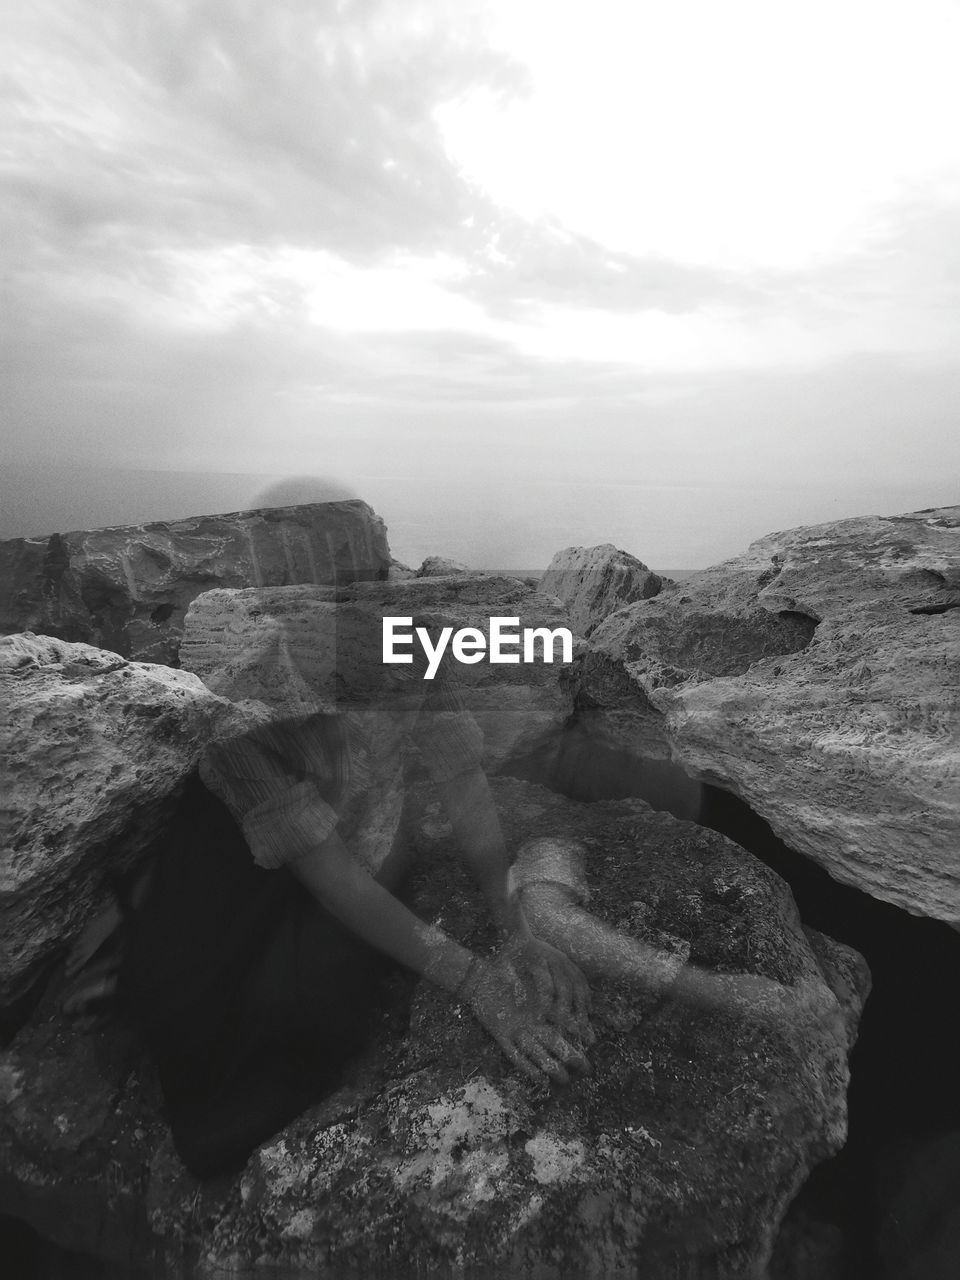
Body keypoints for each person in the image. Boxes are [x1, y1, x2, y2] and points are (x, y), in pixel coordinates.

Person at [65, 593, 594, 1178]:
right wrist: (475, 980)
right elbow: (329, 875)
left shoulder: (412, 643)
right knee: (201, 1025)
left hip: (354, 824)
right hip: (241, 846)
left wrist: (512, 922)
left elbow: (463, 781)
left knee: (328, 1007)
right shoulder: (248, 690)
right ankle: (138, 940)